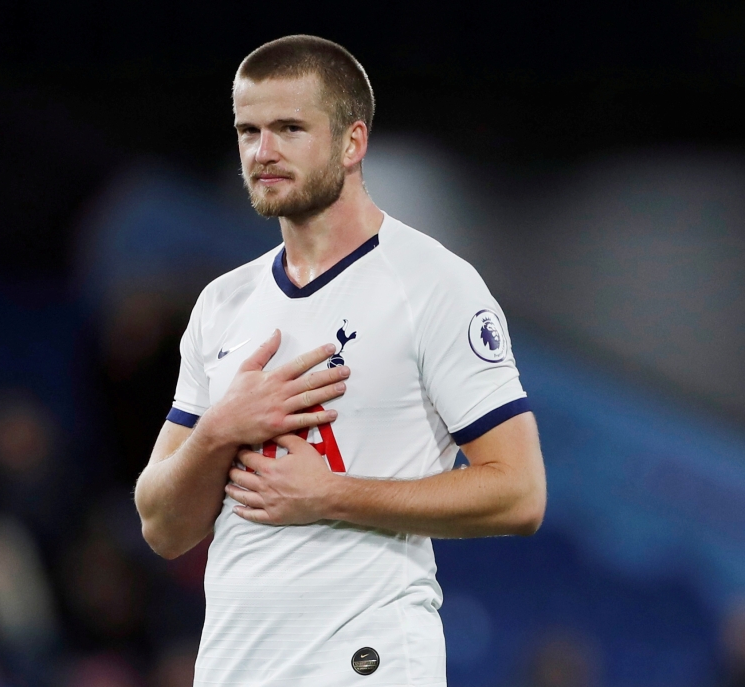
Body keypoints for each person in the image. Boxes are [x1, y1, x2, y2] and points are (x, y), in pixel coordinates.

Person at [134, 35, 546, 686]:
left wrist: (329, 493)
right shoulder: (222, 303)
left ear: (353, 142)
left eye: (288, 128)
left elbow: (519, 491)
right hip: (233, 667)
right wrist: (220, 428)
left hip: (367, 665)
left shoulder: (433, 283)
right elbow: (161, 523)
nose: (262, 152)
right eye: (249, 130)